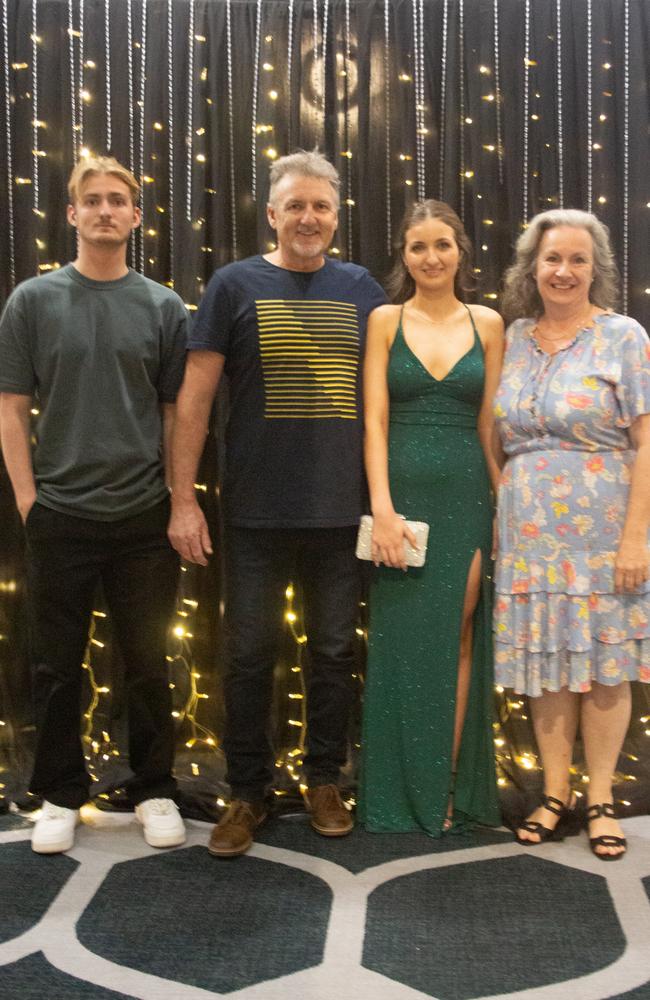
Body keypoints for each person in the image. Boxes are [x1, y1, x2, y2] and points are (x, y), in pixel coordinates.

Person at [168, 149, 386, 856]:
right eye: (295, 205)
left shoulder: (364, 290)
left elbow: (386, 403)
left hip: (339, 513)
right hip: (255, 512)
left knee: (331, 653)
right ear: (272, 214)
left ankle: (325, 779)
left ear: (335, 215)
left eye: (320, 205)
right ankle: (248, 792)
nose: (308, 217)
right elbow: (194, 402)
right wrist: (183, 501)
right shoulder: (233, 286)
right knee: (247, 656)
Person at [0, 156, 189, 854]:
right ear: (72, 215)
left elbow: (176, 417)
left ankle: (155, 787)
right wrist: (29, 501)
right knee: (54, 665)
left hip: (144, 515)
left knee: (146, 661)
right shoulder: (33, 301)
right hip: (60, 515)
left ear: (136, 217)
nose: (106, 210)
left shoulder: (164, 308)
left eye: (119, 201)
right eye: (93, 200)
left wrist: (178, 500)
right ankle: (58, 792)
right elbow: (11, 408)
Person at [494, 209, 650, 860]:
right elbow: (490, 424)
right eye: (552, 258)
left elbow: (647, 442)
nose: (563, 270)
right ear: (534, 266)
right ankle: (556, 792)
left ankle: (602, 798)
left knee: (606, 667)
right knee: (549, 665)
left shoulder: (624, 337)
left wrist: (638, 536)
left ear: (596, 269)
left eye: (577, 260)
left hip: (604, 531)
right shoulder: (513, 336)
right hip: (530, 536)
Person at [359, 199, 504, 835]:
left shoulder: (491, 324)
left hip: (468, 497)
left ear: (460, 251)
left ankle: (442, 782)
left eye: (442, 245)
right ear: (405, 256)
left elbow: (489, 425)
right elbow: (374, 421)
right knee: (399, 648)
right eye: (418, 247)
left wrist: (504, 506)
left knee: (460, 636)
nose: (431, 257)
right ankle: (399, 787)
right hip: (403, 503)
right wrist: (382, 509)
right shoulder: (385, 320)